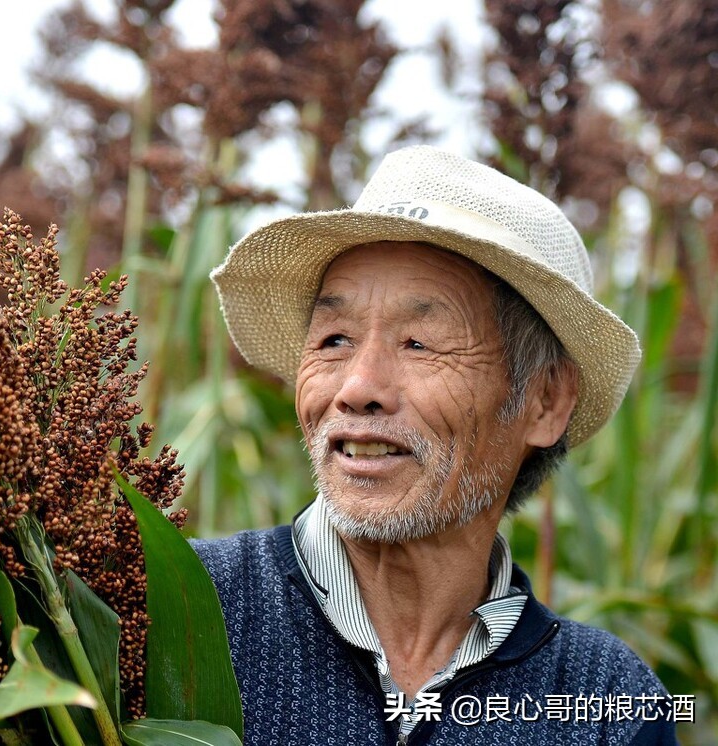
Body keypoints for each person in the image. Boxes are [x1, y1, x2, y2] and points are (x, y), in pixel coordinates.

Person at [193, 145, 679, 745]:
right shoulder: (180, 606)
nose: (358, 387)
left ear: (546, 400)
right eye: (335, 338)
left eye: (420, 343)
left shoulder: (608, 702)